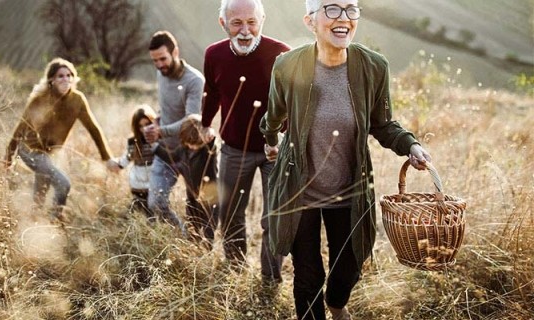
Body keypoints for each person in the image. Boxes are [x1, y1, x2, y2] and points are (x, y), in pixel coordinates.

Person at [259, 1, 433, 319]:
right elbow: (273, 116)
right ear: (310, 21)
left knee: (349, 267)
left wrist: (410, 145)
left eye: (351, 9)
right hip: (300, 190)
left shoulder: (374, 67)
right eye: (332, 9)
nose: (344, 18)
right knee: (308, 275)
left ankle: (337, 304)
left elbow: (382, 124)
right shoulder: (287, 65)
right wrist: (271, 142)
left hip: (349, 189)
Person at [200, 0, 290, 284]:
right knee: (229, 215)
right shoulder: (214, 54)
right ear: (223, 23)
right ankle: (236, 270)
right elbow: (212, 92)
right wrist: (205, 124)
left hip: (274, 151)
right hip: (234, 149)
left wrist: (285, 139)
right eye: (237, 22)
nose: (245, 30)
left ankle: (270, 280)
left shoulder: (281, 54)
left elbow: (293, 103)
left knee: (274, 218)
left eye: (252, 22)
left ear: (262, 20)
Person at [4, 57, 118, 221]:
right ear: (51, 80)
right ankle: (54, 219)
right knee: (63, 183)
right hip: (30, 150)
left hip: (48, 154)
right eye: (61, 76)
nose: (66, 79)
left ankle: (33, 222)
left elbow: (93, 129)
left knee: (41, 190)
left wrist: (107, 158)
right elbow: (20, 129)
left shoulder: (77, 100)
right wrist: (8, 157)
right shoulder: (40, 99)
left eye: (69, 75)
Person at [146, 30, 218, 244]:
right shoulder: (161, 74)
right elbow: (166, 107)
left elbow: (191, 120)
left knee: (198, 205)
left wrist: (161, 130)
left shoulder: (194, 81)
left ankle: (200, 245)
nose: (159, 65)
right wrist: (157, 121)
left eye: (163, 59)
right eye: (155, 61)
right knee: (156, 203)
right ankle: (183, 236)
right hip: (165, 150)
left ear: (175, 52)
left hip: (190, 151)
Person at [109, 105, 158, 219]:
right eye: (140, 126)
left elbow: (164, 158)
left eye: (147, 124)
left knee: (153, 212)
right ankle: (125, 219)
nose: (144, 129)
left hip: (154, 183)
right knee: (140, 209)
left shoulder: (157, 139)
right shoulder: (133, 142)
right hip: (138, 183)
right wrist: (117, 164)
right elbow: (126, 158)